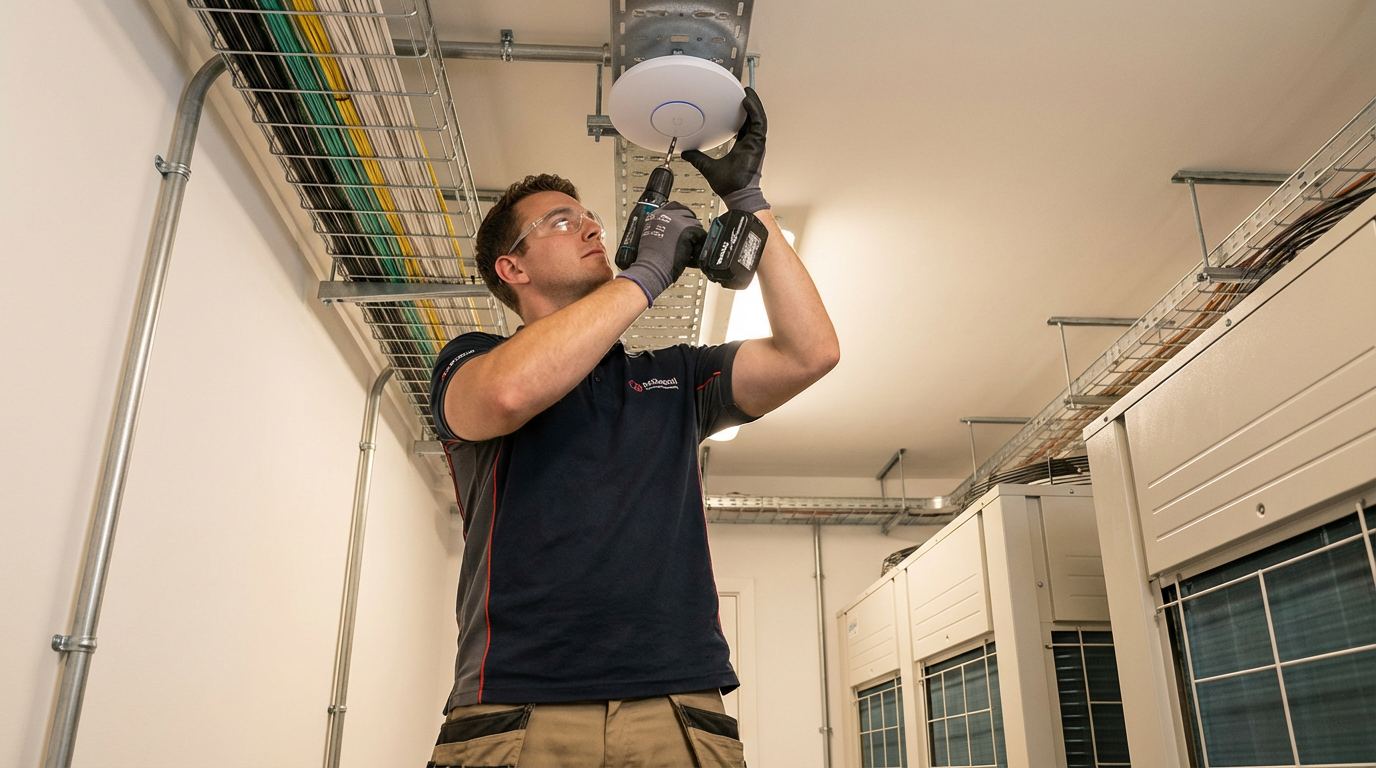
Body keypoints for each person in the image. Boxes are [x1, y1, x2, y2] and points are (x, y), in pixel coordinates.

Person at [426, 89, 839, 768]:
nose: (591, 226)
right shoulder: (470, 359)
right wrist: (648, 274)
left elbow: (810, 353)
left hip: (675, 706)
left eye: (589, 214)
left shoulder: (677, 378)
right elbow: (506, 394)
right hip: (517, 705)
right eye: (562, 221)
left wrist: (750, 205)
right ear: (513, 268)